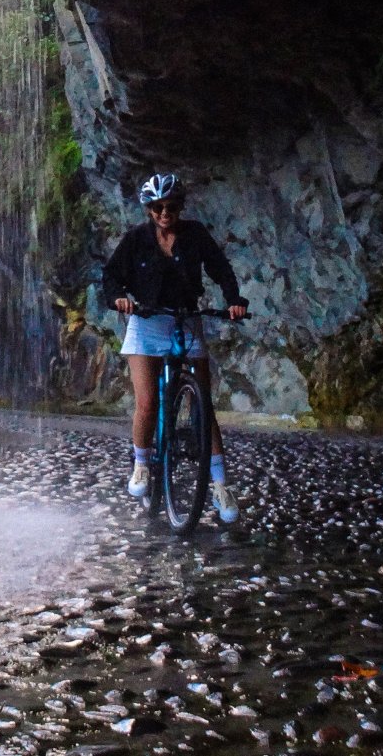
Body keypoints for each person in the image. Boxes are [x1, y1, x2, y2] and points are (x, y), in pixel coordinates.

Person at [102, 172, 250, 522]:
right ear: (149, 209)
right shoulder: (137, 239)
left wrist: (234, 300)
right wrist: (119, 298)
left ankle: (220, 485)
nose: (164, 213)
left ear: (180, 207)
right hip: (147, 321)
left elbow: (220, 268)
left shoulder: (195, 234)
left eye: (170, 206)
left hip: (185, 317)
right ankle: (141, 463)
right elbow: (111, 276)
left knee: (205, 404)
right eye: (157, 207)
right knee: (148, 401)